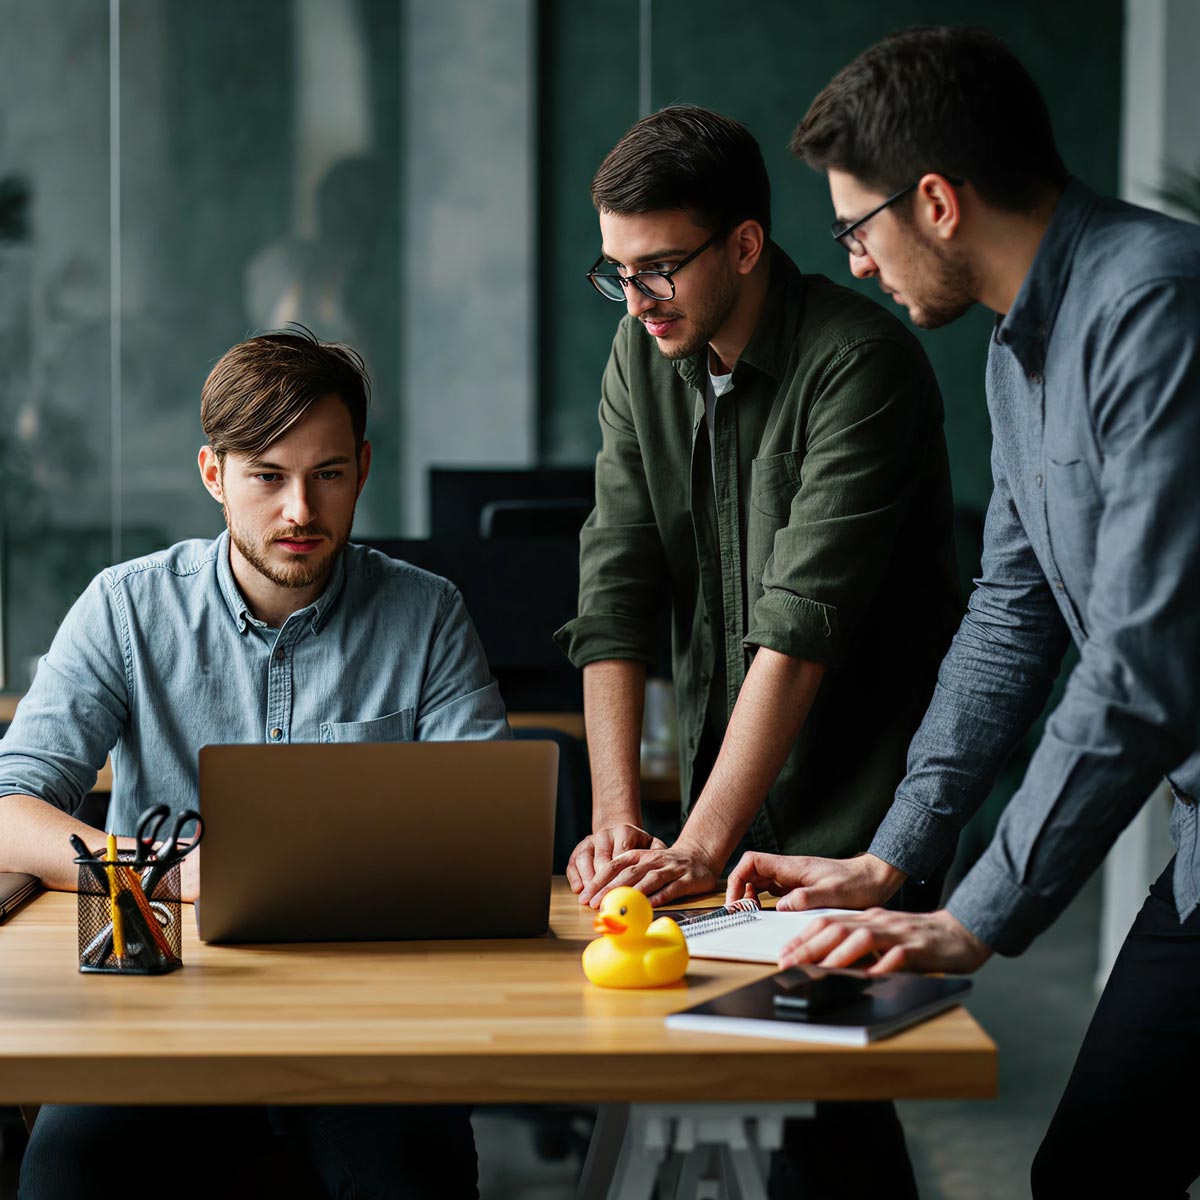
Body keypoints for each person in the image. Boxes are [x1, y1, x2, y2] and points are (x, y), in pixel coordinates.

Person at [726, 25, 1200, 1198]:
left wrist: (973, 918)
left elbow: (1140, 660)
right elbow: (1011, 620)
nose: (858, 265)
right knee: (1098, 1172)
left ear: (934, 200)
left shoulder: (1157, 307)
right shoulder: (1012, 356)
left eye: (856, 229)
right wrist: (895, 861)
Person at [554, 103, 961, 1199]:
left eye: (660, 270)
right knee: (702, 1102)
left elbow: (799, 624)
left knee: (820, 1119)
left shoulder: (860, 363)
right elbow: (617, 585)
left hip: (859, 815)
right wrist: (616, 824)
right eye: (616, 273)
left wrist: (696, 844)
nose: (636, 303)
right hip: (716, 810)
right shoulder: (642, 352)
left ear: (743, 245)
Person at [1, 329, 505, 1200]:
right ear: (214, 476)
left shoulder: (426, 614)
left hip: (367, 1025)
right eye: (268, 476)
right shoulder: (125, 608)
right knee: (66, 1169)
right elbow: (8, 806)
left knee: (414, 1174)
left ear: (363, 468)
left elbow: (490, 826)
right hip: (153, 1012)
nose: (300, 511)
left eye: (328, 474)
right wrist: (166, 873)